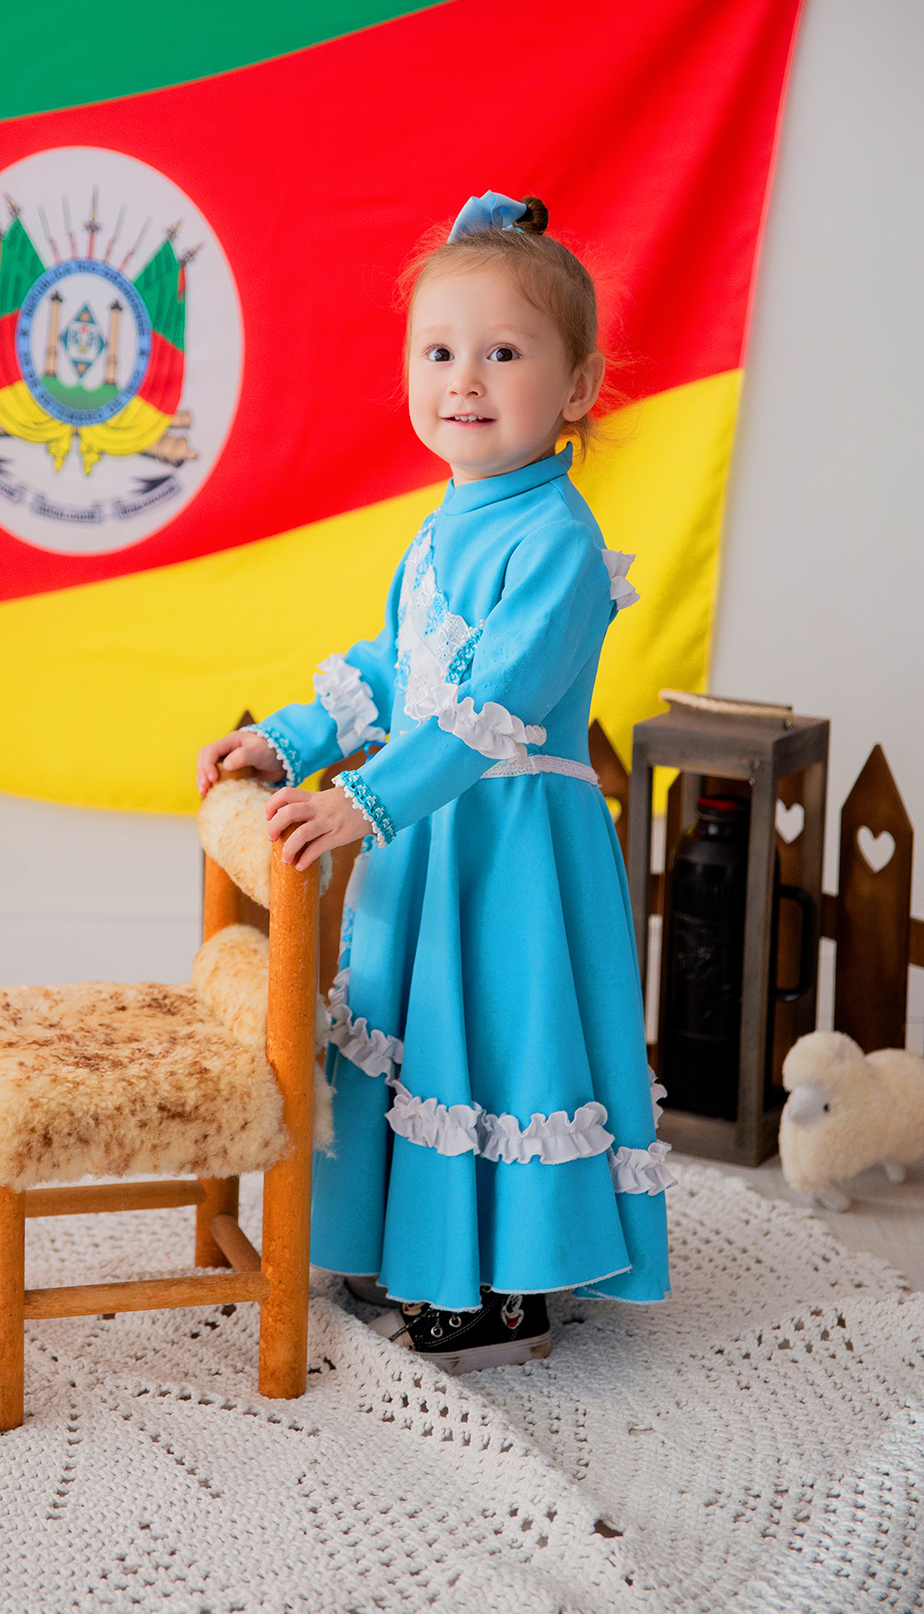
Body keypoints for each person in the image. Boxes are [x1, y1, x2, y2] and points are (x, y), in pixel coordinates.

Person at [197, 191, 672, 1374]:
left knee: (495, 1040)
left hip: (504, 839)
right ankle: (418, 1242)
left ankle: (500, 1289)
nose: (464, 378)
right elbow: (393, 669)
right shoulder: (443, 526)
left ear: (575, 387)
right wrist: (295, 741)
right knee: (413, 1035)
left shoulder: (556, 540)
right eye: (439, 350)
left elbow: (492, 703)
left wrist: (363, 804)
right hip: (427, 830)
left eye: (503, 353)